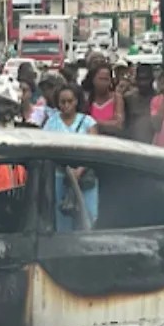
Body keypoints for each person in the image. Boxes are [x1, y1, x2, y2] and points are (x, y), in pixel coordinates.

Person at [43, 84, 98, 232]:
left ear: (76, 101)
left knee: (88, 218)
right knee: (63, 220)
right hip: (60, 177)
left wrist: (79, 171)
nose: (66, 105)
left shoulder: (88, 122)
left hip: (85, 178)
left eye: (70, 101)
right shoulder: (51, 122)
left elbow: (94, 149)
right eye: (62, 102)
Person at [122, 64, 156, 144]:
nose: (142, 83)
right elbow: (125, 126)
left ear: (152, 79)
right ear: (136, 80)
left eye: (145, 79)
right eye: (140, 79)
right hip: (134, 146)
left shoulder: (160, 98)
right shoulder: (129, 98)